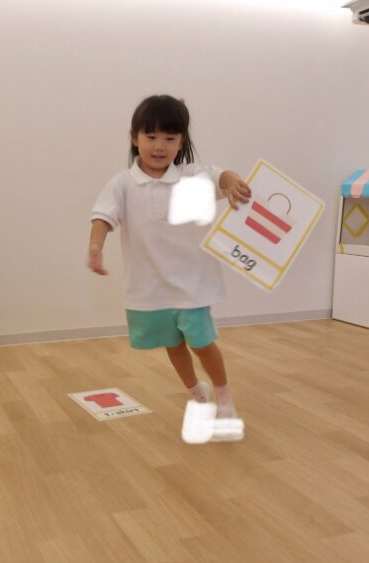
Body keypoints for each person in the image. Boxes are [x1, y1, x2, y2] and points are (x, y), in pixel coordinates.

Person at [87, 95, 250, 441]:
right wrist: (95, 247)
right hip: (150, 288)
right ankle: (196, 393)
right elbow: (103, 217)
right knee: (173, 345)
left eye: (170, 138)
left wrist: (234, 182)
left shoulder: (192, 176)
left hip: (193, 286)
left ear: (181, 142)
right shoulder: (122, 183)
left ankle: (223, 396)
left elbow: (222, 176)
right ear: (135, 138)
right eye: (151, 137)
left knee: (202, 343)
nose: (159, 146)